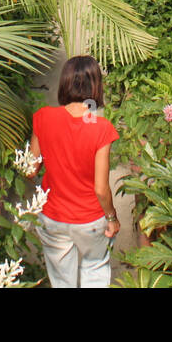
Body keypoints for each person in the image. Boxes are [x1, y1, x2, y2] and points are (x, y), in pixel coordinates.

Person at [29, 54, 120, 288]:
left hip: (53, 217)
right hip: (90, 219)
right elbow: (101, 188)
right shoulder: (101, 129)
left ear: (65, 83)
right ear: (96, 86)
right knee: (95, 270)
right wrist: (112, 218)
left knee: (62, 282)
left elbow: (30, 170)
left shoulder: (43, 118)